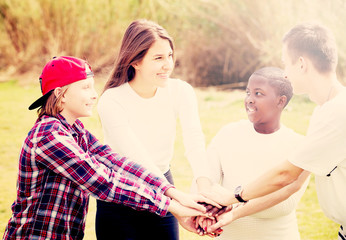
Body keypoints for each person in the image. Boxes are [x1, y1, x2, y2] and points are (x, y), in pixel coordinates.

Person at [2, 56, 214, 240]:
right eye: (85, 87)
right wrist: (173, 208)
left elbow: (115, 162)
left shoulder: (75, 131)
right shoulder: (50, 136)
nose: (95, 94)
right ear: (61, 94)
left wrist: (173, 192)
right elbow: (103, 181)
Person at [202, 23, 346, 239]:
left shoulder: (338, 113)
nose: (285, 74)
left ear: (301, 64)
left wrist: (233, 197)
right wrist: (234, 213)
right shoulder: (324, 112)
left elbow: (285, 175)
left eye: (285, 64)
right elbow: (293, 183)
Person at [96, 19, 211, 240]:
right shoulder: (112, 101)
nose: (168, 64)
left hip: (163, 185)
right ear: (135, 62)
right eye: (158, 58)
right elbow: (136, 157)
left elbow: (194, 140)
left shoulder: (181, 91)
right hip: (120, 193)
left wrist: (204, 189)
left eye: (169, 56)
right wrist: (176, 198)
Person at [197, 67, 309, 239]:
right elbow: (206, 177)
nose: (249, 99)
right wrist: (206, 209)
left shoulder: (298, 145)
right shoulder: (228, 133)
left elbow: (282, 204)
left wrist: (230, 205)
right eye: (248, 92)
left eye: (258, 94)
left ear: (281, 101)